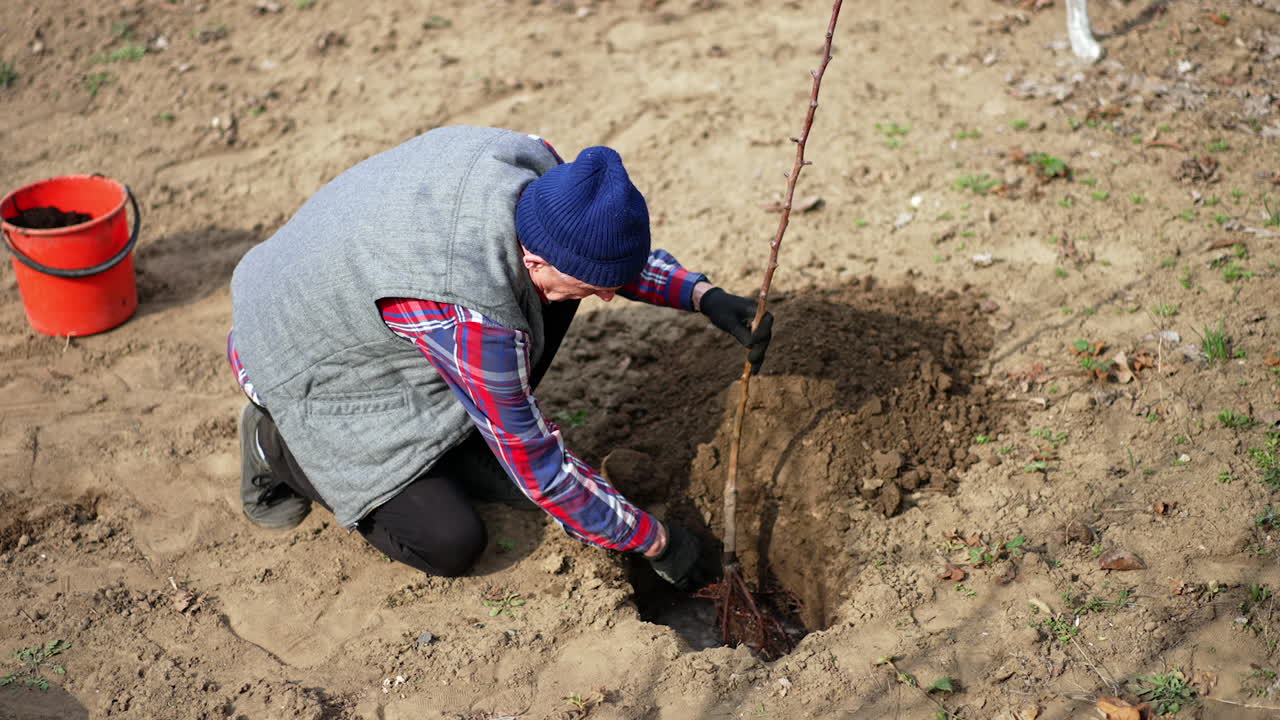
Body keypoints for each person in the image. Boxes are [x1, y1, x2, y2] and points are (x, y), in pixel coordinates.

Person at [226, 126, 771, 590]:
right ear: (533, 256)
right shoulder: (466, 306)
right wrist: (657, 542)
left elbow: (599, 254)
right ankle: (273, 444)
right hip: (299, 362)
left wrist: (702, 296)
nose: (608, 297)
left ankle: (457, 439)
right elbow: (542, 470)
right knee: (449, 541)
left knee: (551, 306)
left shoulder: (546, 181)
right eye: (593, 285)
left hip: (354, 300)